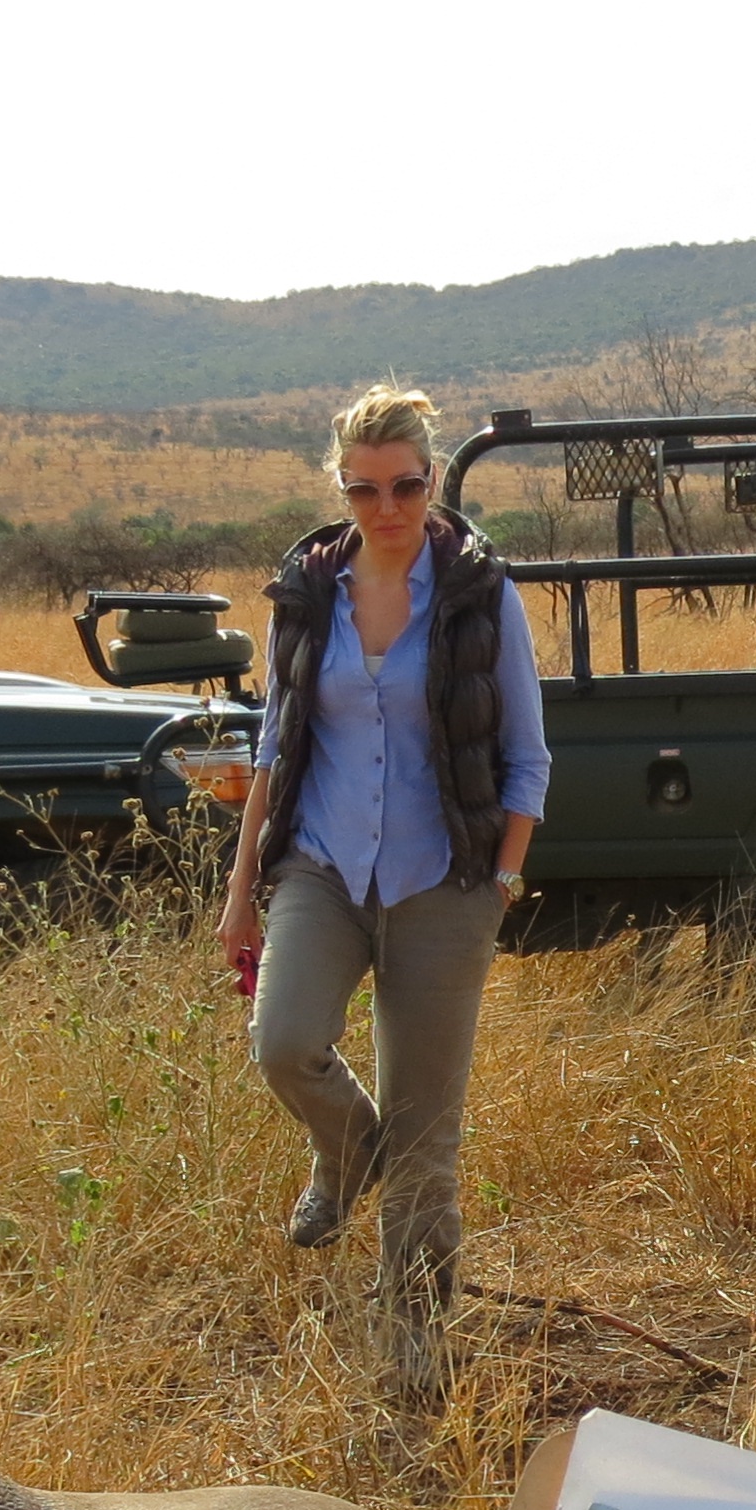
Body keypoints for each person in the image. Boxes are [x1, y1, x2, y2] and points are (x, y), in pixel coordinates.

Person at [216, 384, 547, 1389]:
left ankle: (414, 1336)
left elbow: (527, 755)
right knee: (283, 1043)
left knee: (427, 1130)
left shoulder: (478, 592)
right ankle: (343, 1149)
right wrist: (240, 890)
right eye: (364, 490)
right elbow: (273, 743)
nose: (386, 508)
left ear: (432, 479)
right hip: (320, 865)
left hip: (440, 880)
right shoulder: (309, 589)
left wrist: (500, 879)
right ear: (341, 491)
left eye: (405, 485)